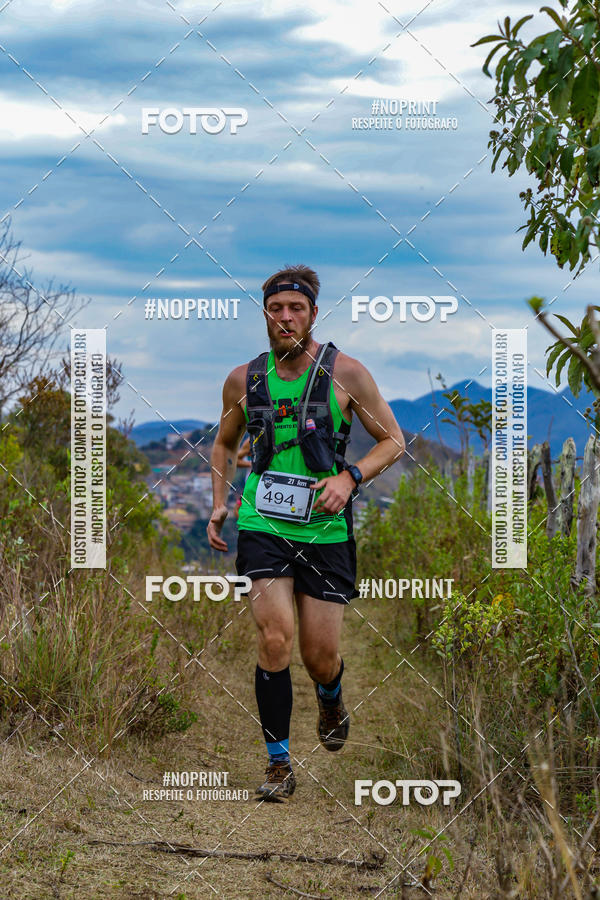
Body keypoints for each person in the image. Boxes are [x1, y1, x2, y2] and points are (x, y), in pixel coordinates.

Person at [207, 264, 405, 802]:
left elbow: (393, 440)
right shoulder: (243, 380)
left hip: (325, 530)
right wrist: (221, 504)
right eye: (276, 309)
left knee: (319, 654)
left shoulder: (348, 373)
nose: (286, 317)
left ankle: (330, 694)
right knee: (274, 638)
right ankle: (277, 765)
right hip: (262, 524)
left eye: (296, 308)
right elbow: (224, 443)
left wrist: (351, 476)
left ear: (314, 314)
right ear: (265, 316)